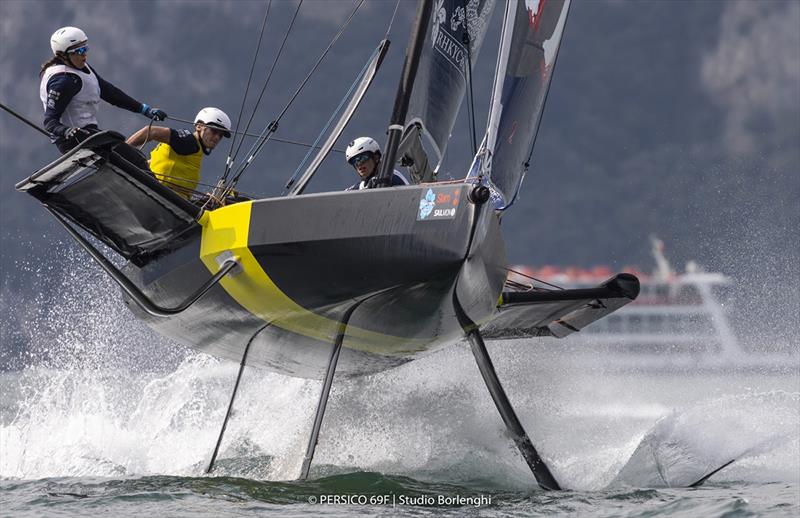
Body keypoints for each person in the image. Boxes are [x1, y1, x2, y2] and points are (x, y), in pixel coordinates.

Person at [40, 26, 166, 154]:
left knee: (132, 155)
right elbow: (49, 122)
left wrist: (143, 109)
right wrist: (66, 131)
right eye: (79, 51)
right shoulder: (63, 82)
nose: (84, 54)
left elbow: (109, 92)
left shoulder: (81, 67)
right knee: (134, 158)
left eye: (85, 48)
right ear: (63, 55)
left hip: (89, 134)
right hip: (73, 141)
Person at [126, 107, 232, 199]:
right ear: (199, 126)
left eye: (220, 135)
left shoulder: (194, 150)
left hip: (164, 199)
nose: (217, 137)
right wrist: (122, 148)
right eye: (214, 131)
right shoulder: (188, 141)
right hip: (158, 196)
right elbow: (151, 131)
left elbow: (159, 163)